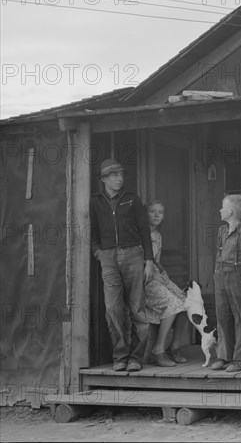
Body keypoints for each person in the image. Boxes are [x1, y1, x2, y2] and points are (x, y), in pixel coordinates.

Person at [90, 158, 153, 372]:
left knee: (137, 308)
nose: (119, 179)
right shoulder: (95, 202)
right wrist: (99, 253)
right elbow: (92, 231)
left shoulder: (133, 200)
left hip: (134, 254)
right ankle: (120, 357)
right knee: (113, 308)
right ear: (104, 179)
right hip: (108, 258)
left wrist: (149, 261)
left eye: (121, 175)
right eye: (114, 175)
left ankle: (136, 358)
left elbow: (145, 230)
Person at [211, 194, 241, 372]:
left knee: (240, 316)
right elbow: (218, 253)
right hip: (221, 274)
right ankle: (224, 356)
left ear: (230, 211)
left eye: (222, 207)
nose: (220, 210)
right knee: (223, 315)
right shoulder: (222, 230)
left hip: (239, 275)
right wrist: (216, 272)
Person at [144, 200, 190, 367]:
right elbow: (136, 262)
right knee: (173, 304)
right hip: (144, 280)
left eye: (161, 212)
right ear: (145, 214)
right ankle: (158, 350)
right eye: (152, 211)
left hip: (157, 275)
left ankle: (175, 346)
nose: (157, 215)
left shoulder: (157, 235)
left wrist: (163, 271)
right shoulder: (138, 234)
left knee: (186, 301)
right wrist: (155, 276)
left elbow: (155, 260)